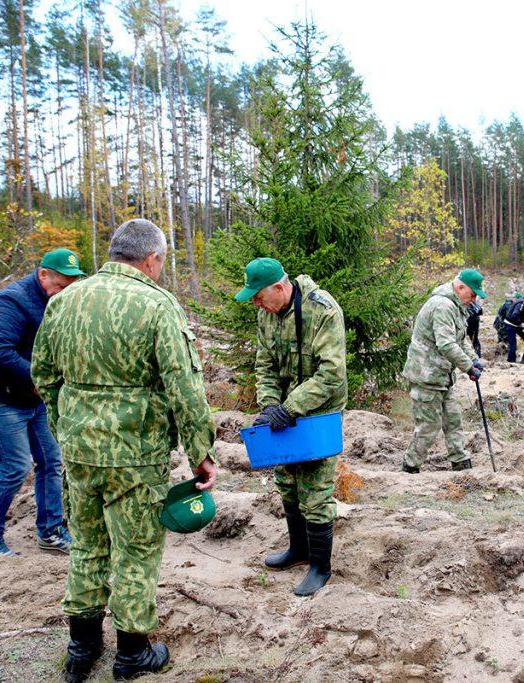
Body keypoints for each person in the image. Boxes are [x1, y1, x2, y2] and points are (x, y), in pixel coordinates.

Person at [32, 219, 218, 681]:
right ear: (152, 259)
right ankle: (132, 653)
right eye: (163, 261)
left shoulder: (64, 301)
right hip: (135, 456)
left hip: (79, 452)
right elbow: (185, 389)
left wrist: (66, 427)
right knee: (135, 552)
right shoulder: (158, 305)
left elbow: (44, 374)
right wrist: (201, 452)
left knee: (87, 547)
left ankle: (81, 650)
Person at [236, 257, 348, 597]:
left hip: (319, 412)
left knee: (315, 491)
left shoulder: (324, 310)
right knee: (287, 481)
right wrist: (271, 405)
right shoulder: (266, 314)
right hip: (284, 411)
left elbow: (331, 375)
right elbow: (265, 363)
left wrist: (290, 407)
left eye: (258, 296)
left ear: (280, 287)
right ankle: (298, 550)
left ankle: (320, 567)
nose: (256, 303)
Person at [0, 248, 85, 558]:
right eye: (61, 286)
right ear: (43, 274)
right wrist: (37, 378)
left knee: (52, 460)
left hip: (36, 398)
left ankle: (51, 531)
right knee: (15, 466)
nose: (65, 292)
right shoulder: (12, 301)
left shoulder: (59, 302)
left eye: (71, 286)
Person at [402, 269, 486, 475]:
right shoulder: (443, 306)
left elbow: (461, 338)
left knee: (453, 420)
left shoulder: (457, 306)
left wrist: (474, 359)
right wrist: (468, 367)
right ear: (460, 287)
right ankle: (410, 466)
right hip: (426, 375)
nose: (474, 299)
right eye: (472, 294)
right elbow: (446, 344)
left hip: (442, 376)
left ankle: (460, 462)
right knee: (429, 426)